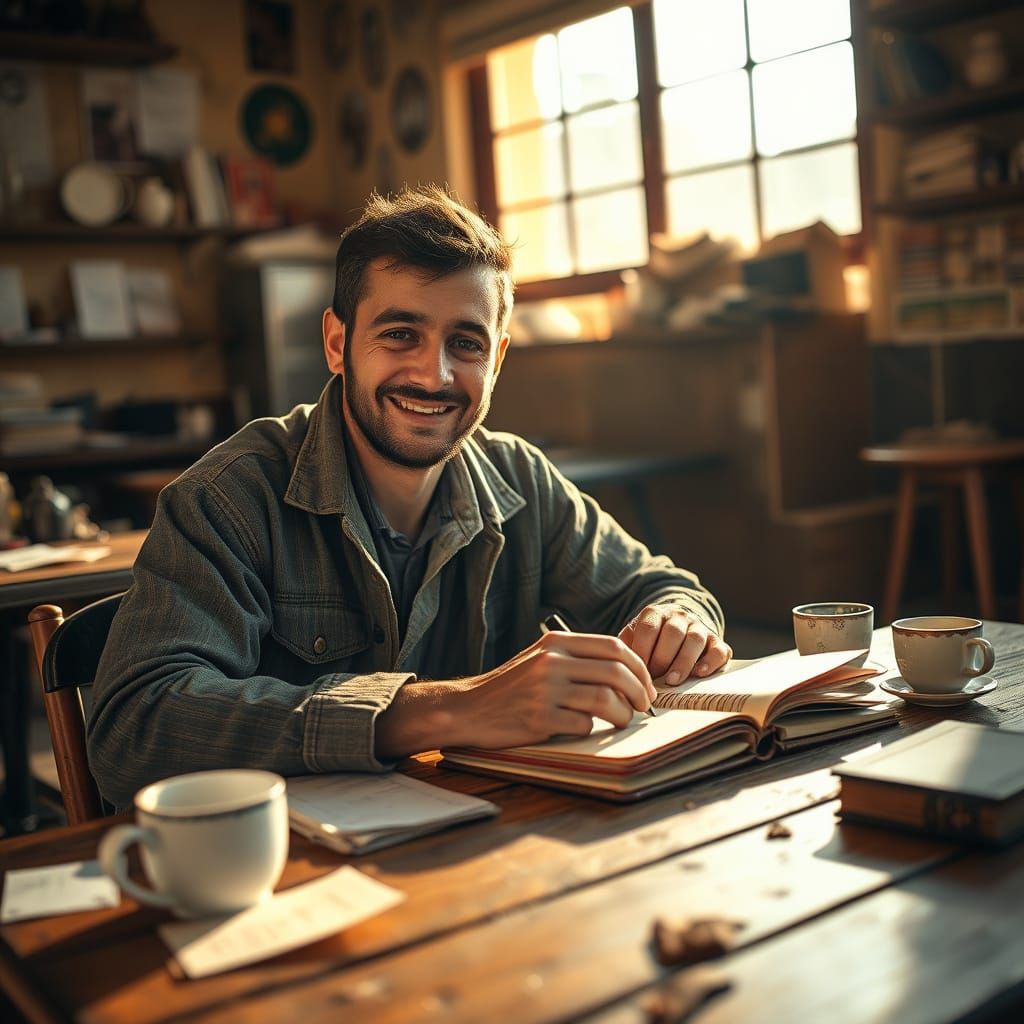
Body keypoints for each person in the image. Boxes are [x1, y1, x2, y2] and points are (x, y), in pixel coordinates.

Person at [89, 186, 731, 808]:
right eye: (400, 334)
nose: (435, 374)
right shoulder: (227, 500)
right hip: (288, 879)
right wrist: (449, 708)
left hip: (483, 849)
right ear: (338, 343)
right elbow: (134, 731)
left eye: (467, 343)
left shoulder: (523, 481)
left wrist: (678, 622)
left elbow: (664, 590)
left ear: (497, 359)